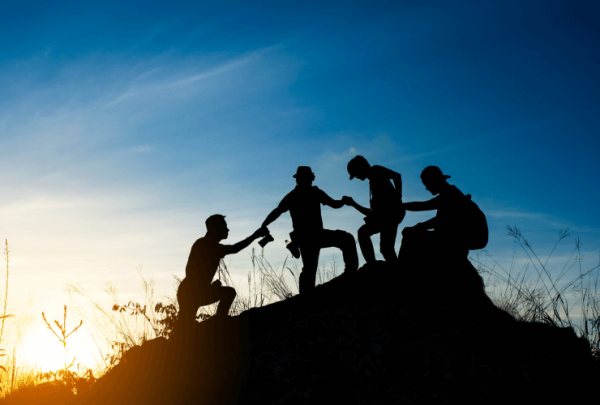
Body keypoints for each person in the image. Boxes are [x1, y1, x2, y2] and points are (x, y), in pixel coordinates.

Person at [261, 166, 358, 294]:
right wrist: (264, 224)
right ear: (301, 179)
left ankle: (349, 274)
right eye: (306, 179)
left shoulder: (308, 193)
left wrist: (343, 201)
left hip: (313, 235)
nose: (309, 181)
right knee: (311, 267)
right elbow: (277, 211)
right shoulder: (299, 195)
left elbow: (334, 204)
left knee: (311, 267)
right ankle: (307, 295)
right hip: (308, 237)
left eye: (309, 179)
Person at [176, 214, 268, 327]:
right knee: (229, 293)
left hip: (189, 291)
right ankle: (220, 322)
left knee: (184, 326)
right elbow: (235, 248)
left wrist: (208, 287)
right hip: (190, 292)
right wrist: (254, 236)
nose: (227, 230)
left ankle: (219, 321)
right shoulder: (207, 245)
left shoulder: (205, 244)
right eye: (225, 227)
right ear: (216, 229)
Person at [399, 165, 483, 259]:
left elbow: (424, 206)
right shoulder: (450, 194)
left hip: (471, 237)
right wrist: (420, 226)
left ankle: (400, 266)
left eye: (427, 184)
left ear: (435, 180)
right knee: (417, 235)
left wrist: (399, 206)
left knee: (410, 234)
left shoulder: (450, 194)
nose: (426, 188)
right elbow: (442, 219)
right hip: (467, 236)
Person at [344, 155, 405, 264]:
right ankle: (374, 265)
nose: (357, 177)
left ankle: (375, 266)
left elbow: (396, 176)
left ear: (361, 168)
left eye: (356, 173)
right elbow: (372, 213)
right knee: (384, 248)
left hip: (391, 215)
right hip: (387, 216)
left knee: (384, 247)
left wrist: (398, 198)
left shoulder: (376, 170)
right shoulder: (372, 182)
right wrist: (353, 204)